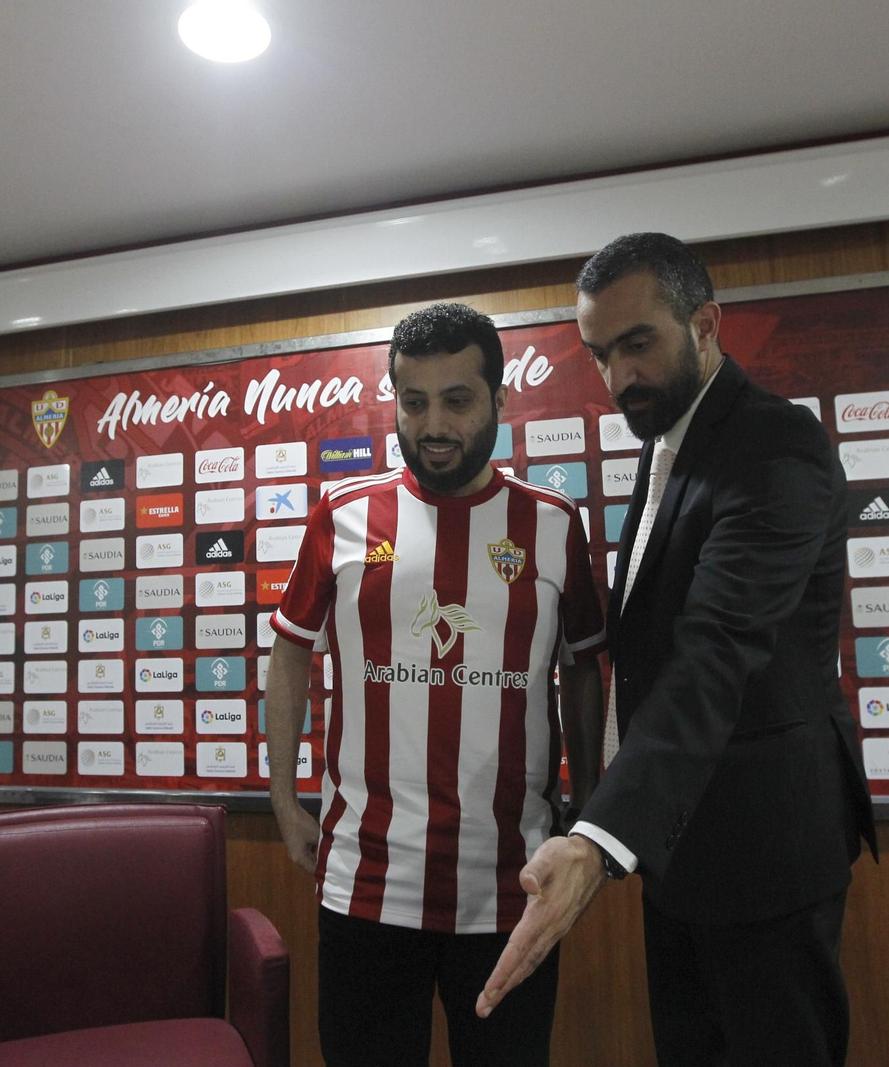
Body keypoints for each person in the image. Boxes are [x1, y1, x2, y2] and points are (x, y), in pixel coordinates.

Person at [477, 233, 878, 1067]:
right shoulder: (671, 439)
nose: (618, 376)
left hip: (767, 852)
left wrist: (596, 838)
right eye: (598, 354)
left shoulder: (774, 448)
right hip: (679, 850)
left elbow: (715, 652)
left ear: (705, 324)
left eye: (637, 344)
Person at [266, 301, 606, 1067]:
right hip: (365, 886)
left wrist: (587, 809)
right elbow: (289, 651)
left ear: (500, 400)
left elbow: (585, 664)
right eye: (413, 401)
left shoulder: (552, 524)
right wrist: (285, 800)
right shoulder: (342, 516)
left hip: (511, 890)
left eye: (457, 399)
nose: (433, 424)